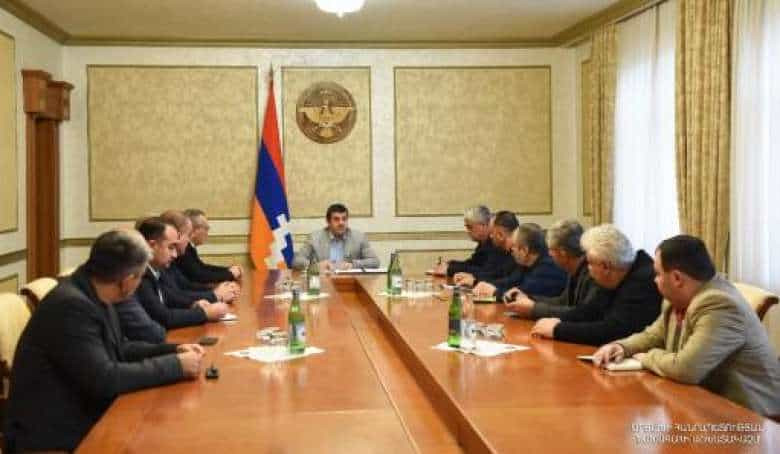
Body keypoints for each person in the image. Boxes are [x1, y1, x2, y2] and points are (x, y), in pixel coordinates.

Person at [3, 230, 204, 452]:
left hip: (80, 413)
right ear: (128, 281)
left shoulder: (93, 290)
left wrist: (173, 351)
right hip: (51, 434)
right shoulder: (71, 306)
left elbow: (120, 348)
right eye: (140, 277)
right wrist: (175, 366)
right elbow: (105, 379)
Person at [592, 235, 780, 417]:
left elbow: (686, 369)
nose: (654, 280)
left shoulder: (718, 304)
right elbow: (653, 336)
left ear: (677, 278)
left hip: (750, 417)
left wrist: (647, 357)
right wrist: (622, 347)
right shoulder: (679, 297)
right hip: (705, 402)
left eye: (658, 274)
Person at [531, 224, 662, 346]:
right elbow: (590, 310)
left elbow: (612, 331)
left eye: (589, 263)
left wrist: (557, 330)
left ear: (606, 267)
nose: (587, 269)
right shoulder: (615, 274)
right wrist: (558, 320)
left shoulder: (643, 281)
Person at [134, 217, 228, 333]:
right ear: (152, 246)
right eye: (170, 247)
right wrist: (205, 313)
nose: (175, 254)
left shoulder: (156, 270)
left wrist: (193, 304)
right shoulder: (140, 275)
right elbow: (164, 318)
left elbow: (171, 297)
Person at [505, 220, 610, 319]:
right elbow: (562, 301)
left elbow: (581, 313)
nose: (549, 254)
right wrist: (528, 298)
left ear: (563, 253)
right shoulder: (574, 269)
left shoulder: (593, 272)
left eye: (551, 250)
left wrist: (534, 309)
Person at [161, 210, 239, 305]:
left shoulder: (170, 261)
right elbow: (173, 298)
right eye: (188, 235)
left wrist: (216, 290)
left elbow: (185, 285)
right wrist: (216, 294)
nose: (189, 241)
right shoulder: (158, 267)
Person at [472, 223, 567, 300]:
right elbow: (511, 282)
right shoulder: (525, 264)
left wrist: (494, 292)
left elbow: (522, 294)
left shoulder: (548, 268)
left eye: (514, 246)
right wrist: (482, 284)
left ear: (524, 250)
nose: (511, 250)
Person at [292, 203, 380, 271]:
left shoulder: (359, 237)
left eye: (344, 219)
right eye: (336, 219)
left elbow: (375, 262)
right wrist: (316, 266)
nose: (341, 223)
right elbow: (296, 261)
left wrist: (352, 265)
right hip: (324, 282)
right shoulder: (314, 238)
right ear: (328, 221)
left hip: (350, 282)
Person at [434, 206, 504, 278]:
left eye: (470, 227)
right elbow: (473, 263)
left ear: (483, 225)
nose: (467, 231)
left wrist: (450, 269)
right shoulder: (483, 243)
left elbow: (485, 271)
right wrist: (450, 264)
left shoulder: (496, 243)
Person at [452, 210, 518, 287]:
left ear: (501, 235)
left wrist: (475, 281)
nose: (490, 237)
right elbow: (494, 274)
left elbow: (511, 282)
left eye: (492, 233)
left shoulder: (516, 254)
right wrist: (473, 277)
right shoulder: (502, 250)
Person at [178, 208, 243, 283]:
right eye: (206, 228)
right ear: (195, 230)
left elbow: (202, 268)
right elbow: (199, 276)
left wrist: (228, 270)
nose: (207, 234)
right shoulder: (183, 249)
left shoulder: (189, 247)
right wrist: (230, 274)